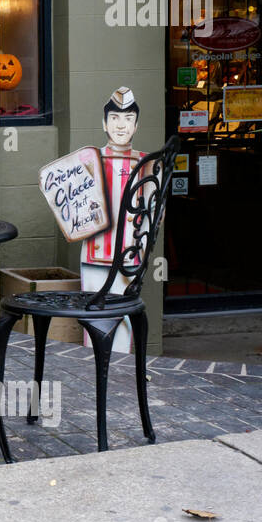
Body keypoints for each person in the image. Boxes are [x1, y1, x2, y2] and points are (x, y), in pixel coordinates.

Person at [81, 86, 146, 353]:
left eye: (128, 118)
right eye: (115, 118)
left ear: (136, 124)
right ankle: (93, 370)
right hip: (94, 255)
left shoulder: (147, 164)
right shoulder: (88, 160)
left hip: (130, 258)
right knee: (94, 318)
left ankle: (118, 374)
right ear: (104, 123)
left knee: (124, 320)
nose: (121, 125)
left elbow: (154, 214)